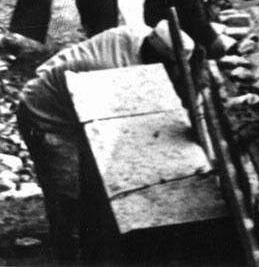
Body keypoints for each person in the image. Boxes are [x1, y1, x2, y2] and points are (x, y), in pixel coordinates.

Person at [17, 20, 194, 264]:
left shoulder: (145, 36)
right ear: (161, 61)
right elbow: (121, 133)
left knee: (93, 184)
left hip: (74, 100)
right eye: (174, 68)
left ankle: (88, 239)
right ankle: (67, 253)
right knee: (68, 189)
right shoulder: (116, 72)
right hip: (46, 114)